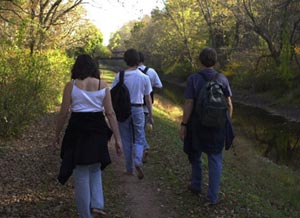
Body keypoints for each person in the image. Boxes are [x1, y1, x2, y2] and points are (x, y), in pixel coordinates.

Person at [53, 54, 122, 218]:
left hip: (77, 130)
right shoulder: (102, 85)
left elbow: (63, 114)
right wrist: (118, 139)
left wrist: (56, 135)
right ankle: (97, 204)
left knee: (82, 173)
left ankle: (85, 214)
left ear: (76, 67)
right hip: (98, 129)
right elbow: (110, 113)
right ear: (93, 67)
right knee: (95, 167)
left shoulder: (71, 85)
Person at [179, 48, 233, 206]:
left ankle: (196, 185)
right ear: (215, 62)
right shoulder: (222, 79)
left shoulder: (193, 79)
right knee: (215, 158)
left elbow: (189, 103)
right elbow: (229, 103)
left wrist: (184, 124)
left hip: (197, 125)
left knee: (195, 154)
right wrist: (226, 121)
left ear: (200, 61)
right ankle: (212, 197)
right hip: (217, 126)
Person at [111, 48, 153, 179]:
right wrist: (150, 115)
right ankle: (138, 161)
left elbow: (112, 92)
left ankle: (129, 169)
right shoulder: (144, 77)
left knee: (126, 139)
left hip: (123, 110)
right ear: (138, 60)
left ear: (126, 60)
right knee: (139, 137)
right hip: (138, 109)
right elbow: (148, 98)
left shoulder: (120, 75)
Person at [138, 52, 163, 163]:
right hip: (146, 106)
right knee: (141, 129)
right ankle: (143, 148)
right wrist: (150, 87)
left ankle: (144, 147)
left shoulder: (129, 72)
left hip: (134, 105)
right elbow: (159, 85)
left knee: (136, 131)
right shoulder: (151, 71)